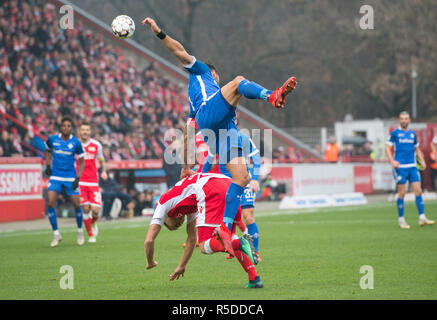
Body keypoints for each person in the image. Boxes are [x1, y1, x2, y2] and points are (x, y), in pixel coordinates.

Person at [142, 17, 297, 254]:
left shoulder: (196, 101)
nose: (216, 77)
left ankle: (224, 228)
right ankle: (272, 95)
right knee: (237, 82)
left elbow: (187, 134)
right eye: (216, 74)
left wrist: (184, 167)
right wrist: (159, 32)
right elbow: (179, 51)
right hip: (211, 118)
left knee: (241, 178)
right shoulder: (200, 71)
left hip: (220, 131)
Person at [144, 172, 263, 288]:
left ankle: (237, 242)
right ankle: (254, 278)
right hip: (228, 184)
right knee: (230, 238)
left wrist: (150, 262)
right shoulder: (187, 203)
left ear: (165, 220)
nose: (179, 224)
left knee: (204, 246)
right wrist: (182, 266)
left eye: (174, 226)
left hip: (209, 188)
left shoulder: (162, 204)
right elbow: (191, 239)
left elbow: (149, 241)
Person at [202, 124, 262, 262]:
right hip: (226, 184)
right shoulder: (216, 141)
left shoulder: (243, 138)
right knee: (229, 217)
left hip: (242, 181)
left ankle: (255, 252)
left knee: (248, 216)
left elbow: (256, 159)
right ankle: (231, 247)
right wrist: (199, 179)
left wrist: (255, 179)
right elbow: (208, 162)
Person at [385, 111, 434, 229]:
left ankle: (422, 218)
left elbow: (417, 149)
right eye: (402, 118)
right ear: (399, 120)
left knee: (418, 190)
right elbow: (387, 147)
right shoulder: (395, 133)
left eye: (406, 118)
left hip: (412, 166)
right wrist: (392, 161)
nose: (404, 120)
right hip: (400, 168)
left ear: (409, 120)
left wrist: (421, 160)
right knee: (402, 193)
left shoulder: (412, 134)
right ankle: (401, 220)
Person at [44, 116, 86, 247]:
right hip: (56, 176)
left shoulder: (76, 143)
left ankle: (79, 231)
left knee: (77, 205)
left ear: (71, 128)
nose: (66, 128)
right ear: (60, 127)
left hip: (69, 177)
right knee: (50, 202)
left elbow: (82, 162)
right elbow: (47, 150)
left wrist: (77, 179)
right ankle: (56, 234)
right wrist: (48, 165)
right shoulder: (52, 139)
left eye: (68, 126)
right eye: (64, 126)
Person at [77, 122, 108, 243]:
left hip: (93, 181)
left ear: (90, 132)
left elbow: (101, 160)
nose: (85, 132)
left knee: (95, 210)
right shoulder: (76, 145)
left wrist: (104, 171)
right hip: (80, 182)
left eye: (87, 130)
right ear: (79, 131)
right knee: (85, 208)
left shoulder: (96, 145)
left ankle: (92, 222)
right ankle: (90, 234)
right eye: (83, 129)